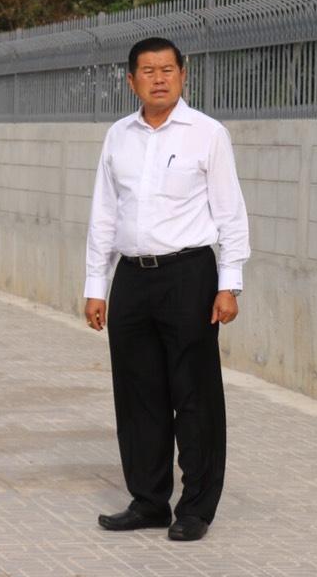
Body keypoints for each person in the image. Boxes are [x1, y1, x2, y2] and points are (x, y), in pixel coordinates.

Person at [83, 36, 249, 542]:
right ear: (131, 80)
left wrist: (229, 283)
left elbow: (230, 213)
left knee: (194, 395)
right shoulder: (118, 136)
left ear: (183, 75)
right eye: (148, 71)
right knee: (138, 394)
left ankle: (196, 507)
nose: (159, 79)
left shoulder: (208, 134)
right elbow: (104, 213)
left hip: (188, 275)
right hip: (132, 278)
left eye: (168, 70)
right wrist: (96, 285)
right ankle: (149, 501)